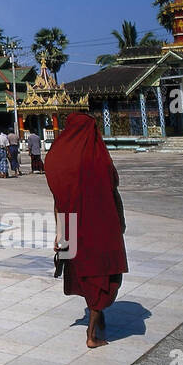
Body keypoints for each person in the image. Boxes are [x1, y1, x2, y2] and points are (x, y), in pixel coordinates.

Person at [44, 111, 128, 349]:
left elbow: (58, 200)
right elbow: (113, 189)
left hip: (73, 226)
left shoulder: (59, 158)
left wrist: (60, 233)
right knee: (102, 274)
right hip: (102, 226)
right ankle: (92, 335)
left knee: (87, 273)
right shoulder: (97, 156)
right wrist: (120, 222)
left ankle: (98, 317)